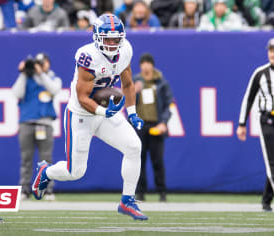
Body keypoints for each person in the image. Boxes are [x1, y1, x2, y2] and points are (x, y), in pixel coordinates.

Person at [31, 13, 148, 221]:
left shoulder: (126, 50)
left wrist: (132, 113)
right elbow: (82, 96)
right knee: (75, 171)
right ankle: (46, 173)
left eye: (116, 38)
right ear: (96, 37)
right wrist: (104, 111)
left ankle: (127, 200)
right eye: (108, 38)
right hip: (81, 115)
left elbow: (128, 84)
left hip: (105, 112)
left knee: (133, 146)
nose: (113, 43)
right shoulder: (88, 56)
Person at [12, 53, 62, 201]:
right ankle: (25, 190)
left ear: (48, 63)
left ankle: (47, 190)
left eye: (42, 62)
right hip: (26, 123)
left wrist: (41, 74)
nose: (38, 66)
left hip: (44, 123)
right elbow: (16, 93)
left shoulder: (53, 78)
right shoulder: (26, 78)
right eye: (37, 63)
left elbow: (54, 90)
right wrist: (23, 73)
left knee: (46, 159)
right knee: (26, 159)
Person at [237, 37, 274, 212]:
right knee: (272, 161)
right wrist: (241, 123)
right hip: (268, 120)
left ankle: (267, 199)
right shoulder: (260, 73)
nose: (273, 53)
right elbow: (248, 98)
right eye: (271, 50)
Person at [132, 53, 173, 202]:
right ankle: (140, 192)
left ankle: (162, 192)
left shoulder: (161, 82)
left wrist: (164, 122)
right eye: (143, 63)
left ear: (152, 65)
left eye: (148, 62)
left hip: (156, 125)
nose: (145, 65)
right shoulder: (135, 81)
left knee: (157, 161)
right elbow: (124, 101)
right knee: (138, 161)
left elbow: (169, 105)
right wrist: (132, 92)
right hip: (139, 126)